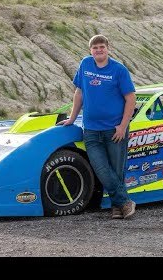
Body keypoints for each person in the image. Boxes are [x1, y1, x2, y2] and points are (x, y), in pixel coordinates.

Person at [59, 34, 136, 220]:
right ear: (90, 50)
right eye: (95, 48)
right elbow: (79, 92)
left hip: (114, 129)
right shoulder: (85, 64)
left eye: (102, 47)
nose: (99, 50)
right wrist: (72, 118)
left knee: (116, 171)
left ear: (108, 48)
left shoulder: (119, 70)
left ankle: (117, 207)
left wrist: (122, 126)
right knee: (101, 169)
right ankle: (125, 202)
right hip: (91, 129)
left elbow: (130, 98)